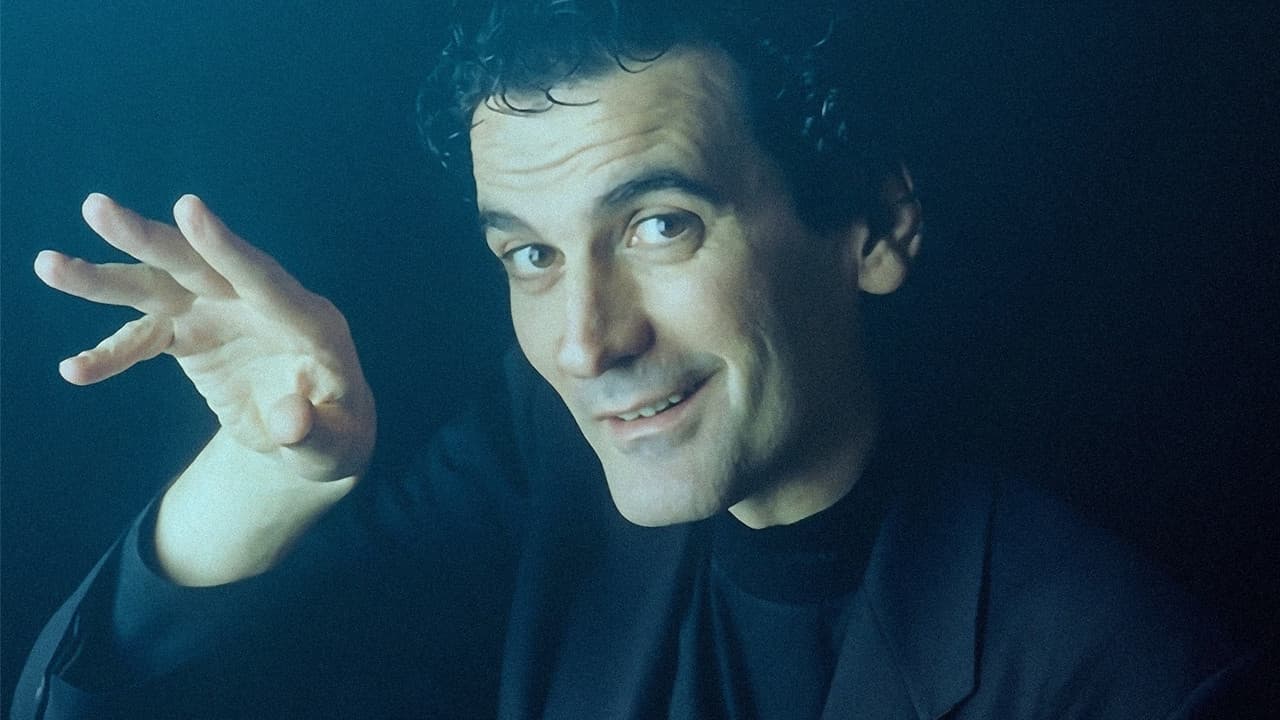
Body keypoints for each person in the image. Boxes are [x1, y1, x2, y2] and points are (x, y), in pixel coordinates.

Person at [11, 1, 1258, 718]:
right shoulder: (533, 467)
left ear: (873, 230)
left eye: (660, 226)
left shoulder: (1126, 676)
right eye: (529, 255)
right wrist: (267, 470)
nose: (584, 340)